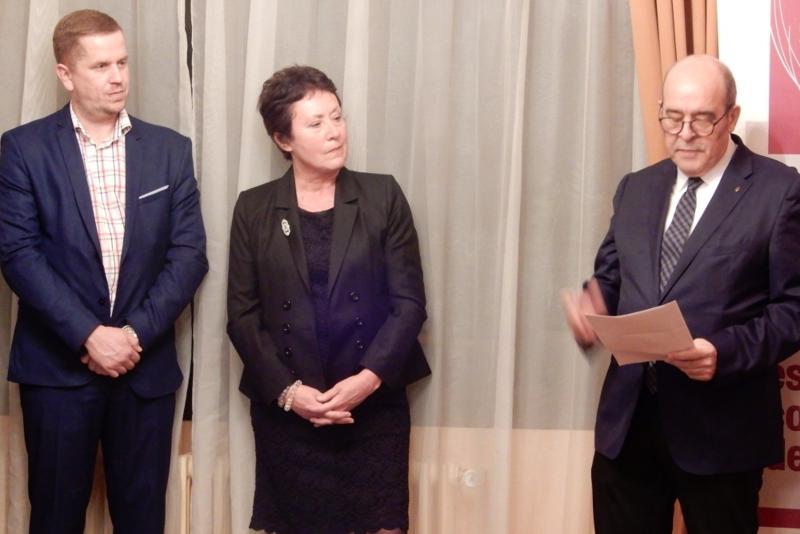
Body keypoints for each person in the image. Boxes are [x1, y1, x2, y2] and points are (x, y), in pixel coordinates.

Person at [563, 54, 800, 534]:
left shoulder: (779, 192)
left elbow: (793, 310)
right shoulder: (636, 188)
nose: (685, 133)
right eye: (672, 118)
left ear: (731, 117)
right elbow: (610, 277)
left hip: (722, 432)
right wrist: (592, 306)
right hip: (628, 427)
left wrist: (723, 353)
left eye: (702, 119)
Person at [0, 10, 207, 534]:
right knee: (55, 519)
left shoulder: (169, 149)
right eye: (100, 66)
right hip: (57, 370)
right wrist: (89, 335)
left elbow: (189, 255)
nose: (118, 77)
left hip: (145, 370)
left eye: (122, 62)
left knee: (143, 521)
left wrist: (131, 337)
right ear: (65, 74)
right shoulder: (23, 148)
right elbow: (18, 254)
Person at [227, 65, 430, 534]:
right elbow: (242, 315)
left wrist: (368, 380)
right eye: (316, 123)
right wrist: (290, 393)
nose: (334, 132)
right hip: (291, 412)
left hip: (372, 407)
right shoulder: (254, 208)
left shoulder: (382, 195)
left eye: (337, 117)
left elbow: (409, 303)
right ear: (283, 139)